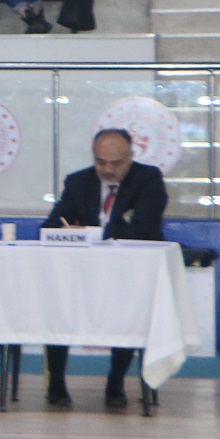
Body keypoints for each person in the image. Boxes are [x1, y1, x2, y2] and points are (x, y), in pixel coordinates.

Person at [41, 128, 169, 408]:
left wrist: (91, 232)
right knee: (57, 303)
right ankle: (56, 383)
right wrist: (75, 232)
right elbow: (51, 226)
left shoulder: (148, 179)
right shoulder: (78, 182)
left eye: (116, 163)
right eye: (101, 162)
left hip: (129, 274)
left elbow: (145, 229)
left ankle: (116, 382)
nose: (108, 170)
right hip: (80, 274)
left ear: (131, 156)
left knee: (128, 311)